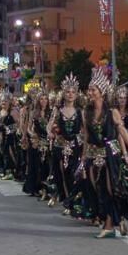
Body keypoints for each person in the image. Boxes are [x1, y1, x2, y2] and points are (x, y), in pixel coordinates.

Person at [79, 69, 128, 238]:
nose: (90, 93)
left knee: (110, 188)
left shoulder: (112, 112)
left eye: (93, 89)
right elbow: (87, 137)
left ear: (101, 92)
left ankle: (109, 224)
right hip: (93, 155)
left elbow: (122, 132)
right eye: (89, 90)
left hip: (111, 154)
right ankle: (117, 216)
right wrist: (83, 158)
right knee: (95, 189)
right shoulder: (86, 112)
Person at [49, 77, 84, 214]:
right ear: (64, 93)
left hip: (75, 146)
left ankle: (71, 201)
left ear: (76, 94)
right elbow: (49, 126)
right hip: (60, 146)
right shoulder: (57, 110)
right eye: (68, 92)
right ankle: (64, 198)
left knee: (73, 174)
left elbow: (84, 129)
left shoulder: (80, 111)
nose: (70, 94)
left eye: (73, 92)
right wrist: (52, 133)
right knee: (60, 174)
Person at [21, 90, 53, 200]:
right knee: (35, 165)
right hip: (36, 142)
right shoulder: (33, 112)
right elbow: (28, 127)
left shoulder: (52, 112)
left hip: (48, 143)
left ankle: (47, 189)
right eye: (41, 99)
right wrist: (32, 135)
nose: (43, 101)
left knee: (46, 166)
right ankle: (35, 188)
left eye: (45, 98)